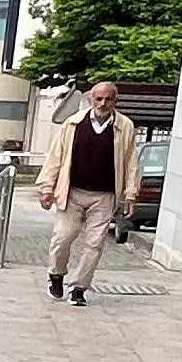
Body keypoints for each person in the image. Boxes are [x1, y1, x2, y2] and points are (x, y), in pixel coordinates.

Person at [37, 79, 139, 304]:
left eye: (108, 99)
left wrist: (130, 194)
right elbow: (56, 157)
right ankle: (56, 274)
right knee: (63, 237)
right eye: (98, 98)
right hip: (71, 192)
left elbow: (131, 162)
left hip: (104, 196)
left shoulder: (125, 126)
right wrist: (47, 188)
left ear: (115, 101)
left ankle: (79, 288)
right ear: (91, 99)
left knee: (95, 243)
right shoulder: (73, 123)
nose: (102, 103)